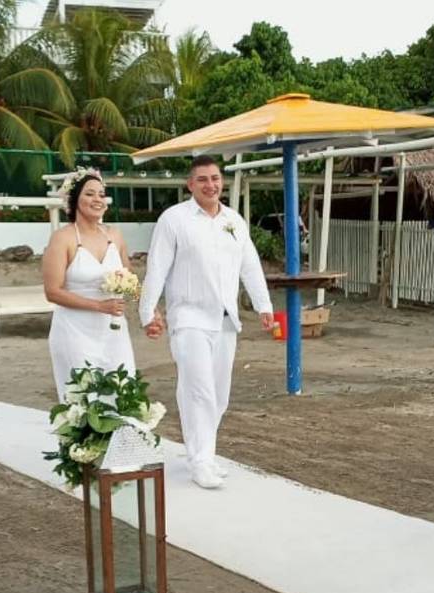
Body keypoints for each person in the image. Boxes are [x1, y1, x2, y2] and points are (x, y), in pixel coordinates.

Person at [139, 155, 274, 490]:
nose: (210, 185)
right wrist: (147, 312)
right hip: (188, 318)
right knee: (199, 390)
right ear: (190, 184)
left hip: (225, 319)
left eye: (215, 178)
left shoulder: (234, 220)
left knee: (219, 394)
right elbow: (156, 268)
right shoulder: (174, 220)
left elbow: (251, 266)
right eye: (202, 179)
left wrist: (264, 306)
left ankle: (202, 453)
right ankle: (201, 461)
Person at [43, 167, 161, 402]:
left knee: (123, 395)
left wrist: (150, 311)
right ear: (75, 199)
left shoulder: (114, 235)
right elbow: (52, 292)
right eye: (89, 194)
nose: (97, 199)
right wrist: (99, 307)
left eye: (101, 194)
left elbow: (129, 280)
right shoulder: (63, 238)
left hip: (113, 330)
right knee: (85, 402)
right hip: (74, 331)